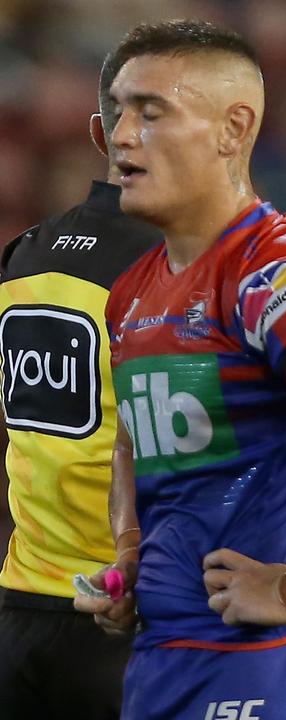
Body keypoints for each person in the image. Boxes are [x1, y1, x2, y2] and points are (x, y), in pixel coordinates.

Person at [71, 20, 286, 719]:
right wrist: (133, 554)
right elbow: (136, 437)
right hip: (162, 660)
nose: (122, 136)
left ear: (233, 129)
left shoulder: (268, 272)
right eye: (116, 112)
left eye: (151, 111)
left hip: (263, 668)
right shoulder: (132, 291)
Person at [0, 51, 161, 719]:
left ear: (102, 134)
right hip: (123, 618)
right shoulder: (174, 270)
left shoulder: (22, 255)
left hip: (18, 613)